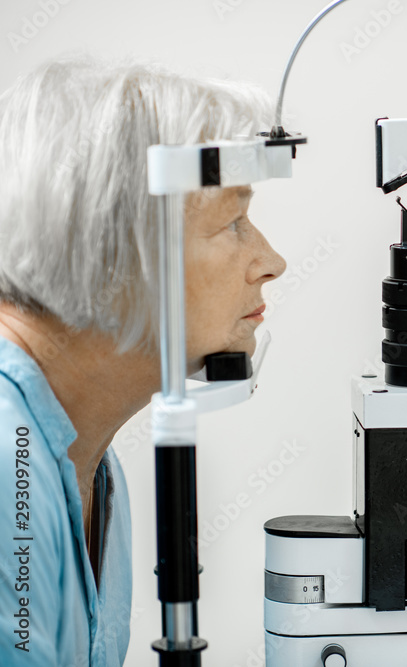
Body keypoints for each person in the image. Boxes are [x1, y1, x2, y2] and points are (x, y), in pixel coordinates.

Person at [0, 59, 287, 666]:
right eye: (232, 221)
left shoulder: (91, 465)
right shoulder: (7, 464)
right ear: (115, 246)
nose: (271, 261)